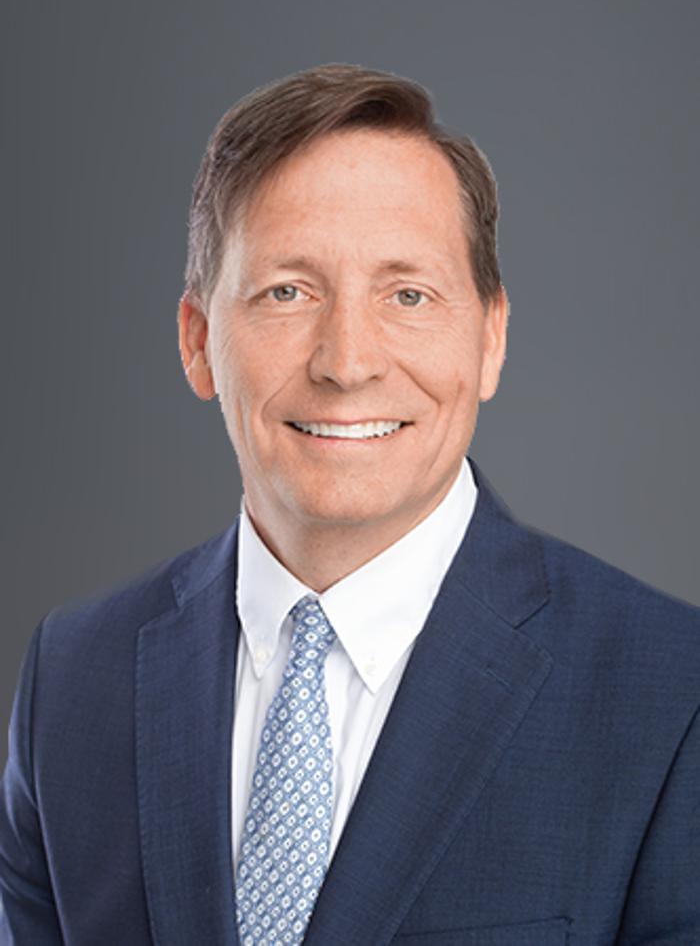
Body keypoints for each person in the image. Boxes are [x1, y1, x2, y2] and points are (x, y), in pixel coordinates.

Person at [1, 62, 698, 946]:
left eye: (408, 294)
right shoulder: (73, 681)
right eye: (287, 292)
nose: (347, 362)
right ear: (198, 341)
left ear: (491, 338)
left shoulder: (672, 697)